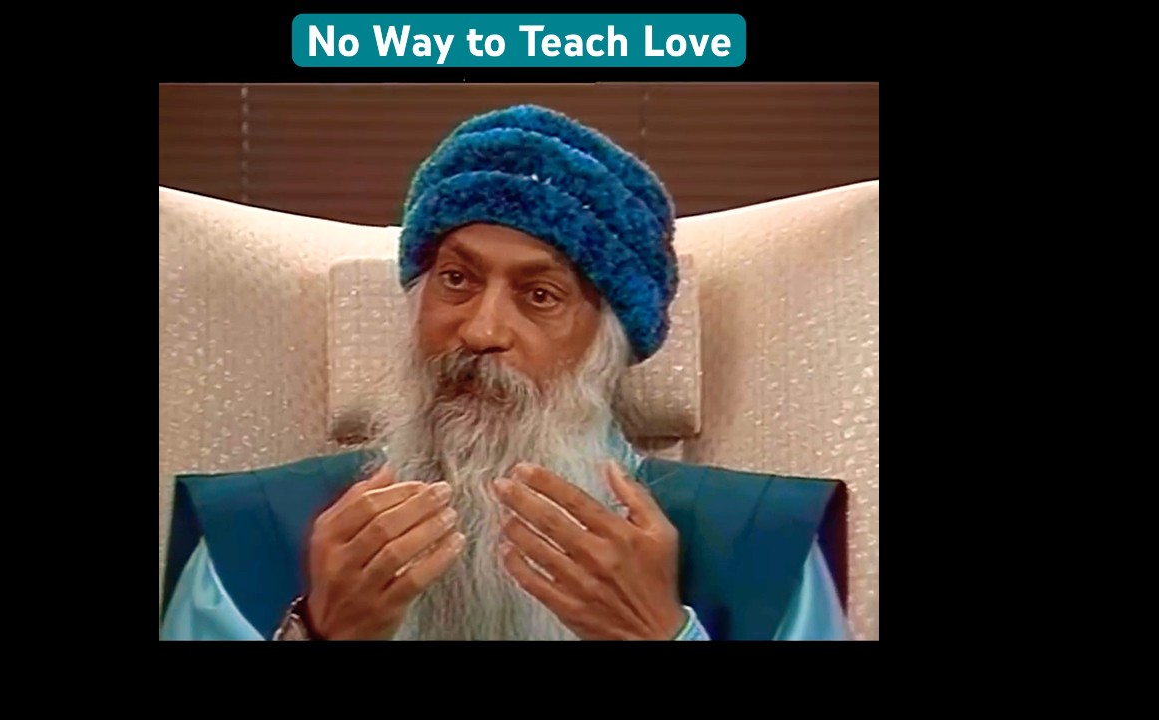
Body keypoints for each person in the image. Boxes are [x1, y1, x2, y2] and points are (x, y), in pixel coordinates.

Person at [159, 104, 850, 641]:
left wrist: (662, 635)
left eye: (540, 295)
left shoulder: (764, 542)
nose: (482, 331)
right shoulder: (251, 531)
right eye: (456, 280)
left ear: (608, 344)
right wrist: (316, 633)